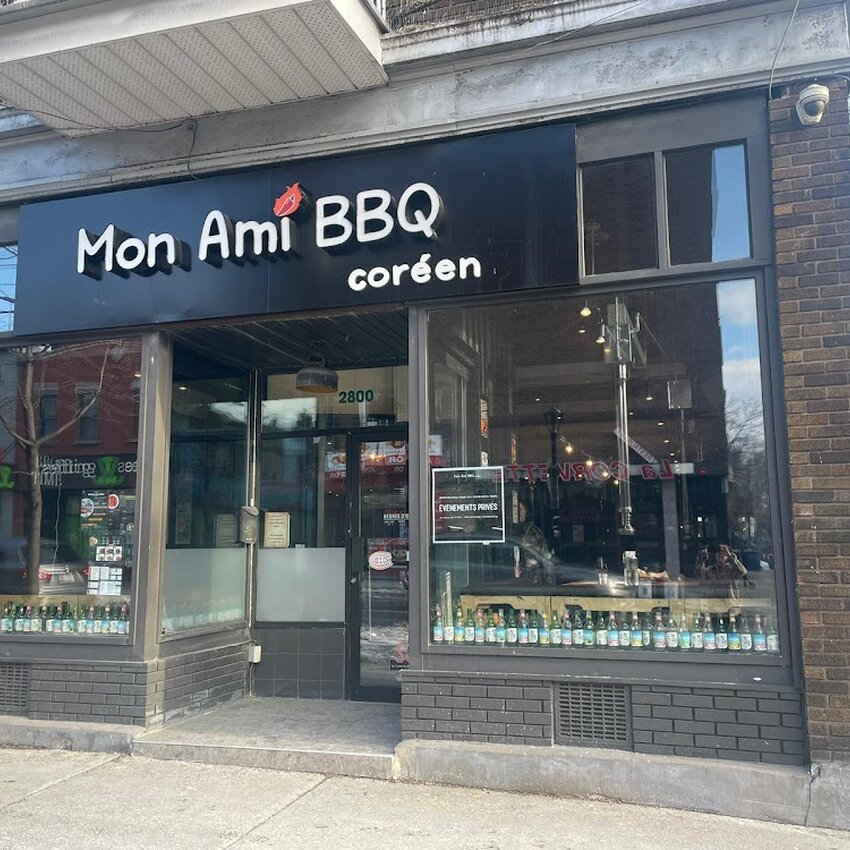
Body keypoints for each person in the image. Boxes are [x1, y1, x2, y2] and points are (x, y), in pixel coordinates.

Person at [515, 499, 554, 585]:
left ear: (526, 511)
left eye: (520, 509)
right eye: (515, 509)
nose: (517, 513)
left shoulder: (532, 531)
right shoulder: (512, 530)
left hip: (532, 579)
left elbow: (538, 559)